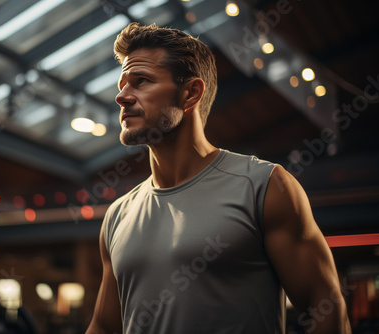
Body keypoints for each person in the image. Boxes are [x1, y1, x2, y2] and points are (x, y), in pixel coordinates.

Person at [86, 22, 351, 334]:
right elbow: (104, 327)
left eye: (140, 81)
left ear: (190, 94)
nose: (121, 96)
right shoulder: (117, 215)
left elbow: (326, 313)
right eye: (122, 85)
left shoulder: (265, 187)